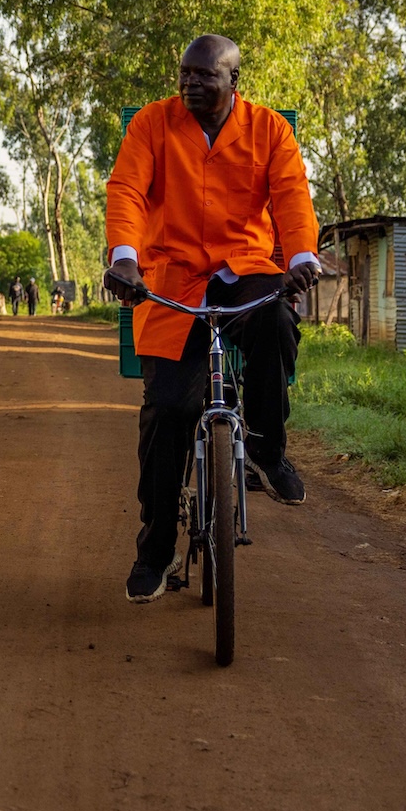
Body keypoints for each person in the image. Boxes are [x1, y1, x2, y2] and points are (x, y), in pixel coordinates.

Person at [103, 34, 320, 604]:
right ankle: (155, 550)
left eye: (204, 75)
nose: (190, 83)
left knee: (275, 319)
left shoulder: (270, 130)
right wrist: (124, 256)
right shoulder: (151, 124)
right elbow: (126, 190)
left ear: (233, 81)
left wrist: (300, 256)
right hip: (172, 278)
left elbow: (292, 195)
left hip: (245, 267)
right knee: (167, 411)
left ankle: (267, 449)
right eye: (185, 73)